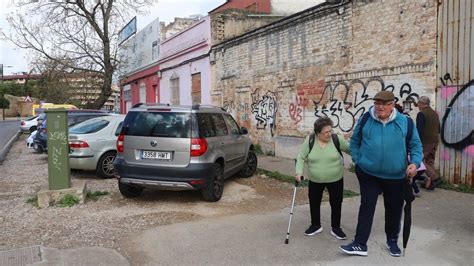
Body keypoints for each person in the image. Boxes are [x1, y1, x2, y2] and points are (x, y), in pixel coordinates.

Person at [340, 91, 422, 257]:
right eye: (377, 103)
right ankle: (360, 243)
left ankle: (392, 240)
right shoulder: (366, 119)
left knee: (394, 210)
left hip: (396, 176)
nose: (380, 107)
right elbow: (355, 141)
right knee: (366, 207)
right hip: (369, 174)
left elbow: (415, 146)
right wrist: (358, 160)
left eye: (384, 104)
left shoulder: (405, 122)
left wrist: (414, 163)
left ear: (392, 104)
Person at [295, 117, 350, 240]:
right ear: (317, 133)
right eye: (326, 132)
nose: (329, 134)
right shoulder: (310, 140)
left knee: (336, 203)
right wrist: (298, 172)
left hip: (336, 179)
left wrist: (362, 159)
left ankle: (336, 228)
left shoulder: (337, 139)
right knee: (314, 202)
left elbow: (350, 150)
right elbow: (300, 157)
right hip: (315, 180)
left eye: (331, 131)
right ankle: (315, 225)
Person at [416, 96, 441, 190]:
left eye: (418, 103)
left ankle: (435, 177)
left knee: (420, 160)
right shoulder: (435, 113)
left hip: (426, 141)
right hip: (435, 140)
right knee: (430, 160)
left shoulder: (421, 114)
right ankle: (430, 184)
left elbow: (419, 130)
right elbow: (439, 127)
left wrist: (416, 142)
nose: (418, 105)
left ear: (422, 104)